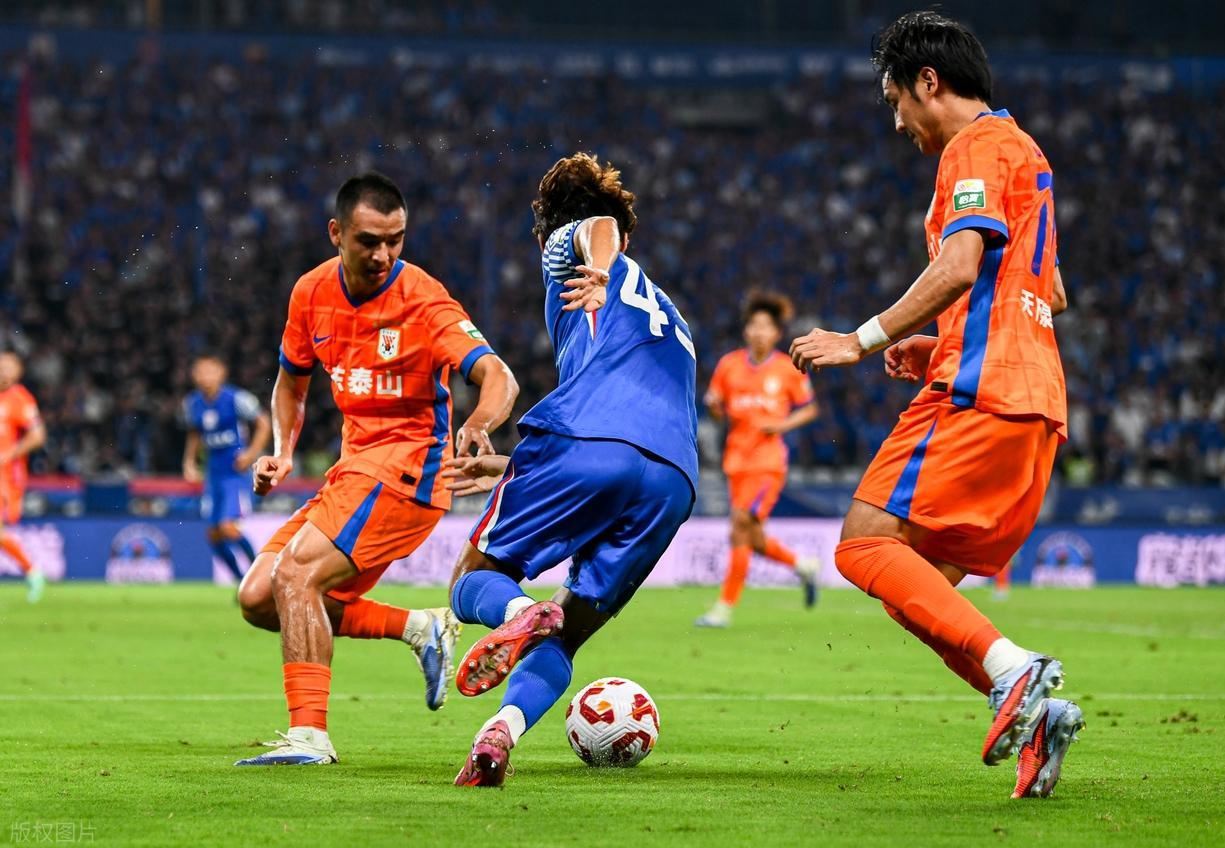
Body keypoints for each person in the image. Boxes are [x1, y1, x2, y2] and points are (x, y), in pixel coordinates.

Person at [789, 11, 1082, 798]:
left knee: (862, 545)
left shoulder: (973, 145)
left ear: (928, 81)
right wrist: (938, 341)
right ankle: (1039, 715)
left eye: (896, 101)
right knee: (912, 586)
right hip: (1037, 403)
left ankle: (1015, 670)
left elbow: (959, 266)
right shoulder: (1028, 153)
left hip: (983, 391)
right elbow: (1050, 289)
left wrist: (860, 338)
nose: (898, 122)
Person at [233, 172, 519, 766]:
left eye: (396, 240)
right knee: (260, 597)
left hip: (410, 469)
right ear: (336, 233)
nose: (383, 254)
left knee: (296, 576)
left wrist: (478, 422)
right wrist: (284, 450)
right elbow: (291, 381)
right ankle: (420, 627)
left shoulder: (424, 299)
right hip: (355, 469)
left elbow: (498, 375)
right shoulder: (311, 292)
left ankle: (309, 737)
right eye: (369, 240)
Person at [443, 153, 698, 787]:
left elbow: (597, 227)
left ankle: (515, 612)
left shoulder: (572, 252)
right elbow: (631, 438)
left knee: (471, 581)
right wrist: (515, 465)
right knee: (566, 635)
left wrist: (600, 270)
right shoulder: (673, 319)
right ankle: (500, 732)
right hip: (672, 480)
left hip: (588, 442)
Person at [696, 292, 820, 628]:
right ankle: (803, 566)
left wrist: (781, 425)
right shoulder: (729, 365)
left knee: (739, 527)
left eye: (766, 327)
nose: (759, 332)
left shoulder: (786, 368)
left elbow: (810, 409)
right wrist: (714, 407)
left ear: (776, 333)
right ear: (746, 330)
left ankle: (723, 608)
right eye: (754, 325)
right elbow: (718, 411)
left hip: (767, 464)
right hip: (736, 461)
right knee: (751, 536)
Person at [182, 355, 270, 583]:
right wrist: (189, 462)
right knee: (213, 534)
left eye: (210, 370)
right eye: (200, 371)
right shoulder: (192, 403)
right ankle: (241, 580)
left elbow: (263, 423)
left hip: (235, 475)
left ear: (222, 373)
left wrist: (251, 454)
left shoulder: (237, 398)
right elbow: (195, 433)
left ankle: (259, 576)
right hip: (213, 474)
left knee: (228, 528)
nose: (205, 376)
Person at [0, 352, 47, 603]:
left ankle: (32, 571)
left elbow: (38, 436)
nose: (4, 371)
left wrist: (10, 453)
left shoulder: (20, 399)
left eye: (9, 367)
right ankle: (32, 571)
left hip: (6, 478)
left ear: (18, 373)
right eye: (1, 366)